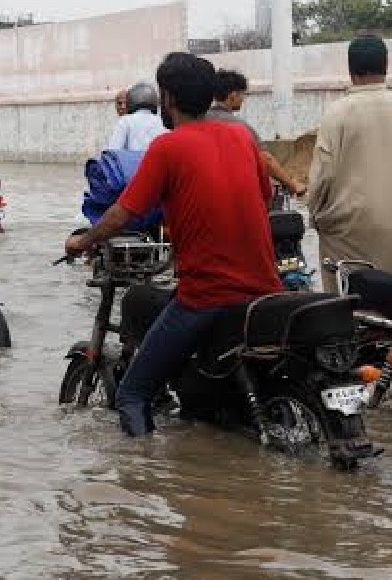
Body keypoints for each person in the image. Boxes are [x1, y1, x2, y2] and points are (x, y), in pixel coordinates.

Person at [65, 52, 281, 437]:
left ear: (167, 97)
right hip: (266, 290)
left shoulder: (168, 147)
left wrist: (84, 241)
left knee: (132, 394)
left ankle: (143, 481)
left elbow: (122, 214)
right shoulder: (241, 138)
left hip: (206, 296)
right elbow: (263, 199)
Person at [308, 36, 392, 288]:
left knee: (349, 308)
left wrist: (317, 216)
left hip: (346, 233)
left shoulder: (337, 114)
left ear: (350, 69)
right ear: (386, 66)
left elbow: (323, 177)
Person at [207, 70, 307, 197]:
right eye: (243, 94)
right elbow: (266, 159)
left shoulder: (200, 121)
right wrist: (291, 185)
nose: (243, 99)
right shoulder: (239, 127)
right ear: (233, 96)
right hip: (233, 194)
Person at [106, 82, 166, 151]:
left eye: (125, 103)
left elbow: (112, 152)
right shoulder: (162, 122)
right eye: (119, 103)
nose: (122, 107)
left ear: (130, 102)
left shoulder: (125, 121)